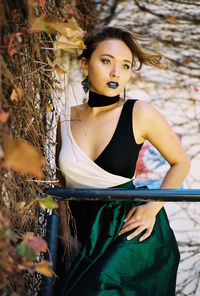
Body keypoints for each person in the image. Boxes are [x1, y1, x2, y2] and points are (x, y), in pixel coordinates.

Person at [55, 26, 190, 296]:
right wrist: (63, 233)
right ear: (85, 64)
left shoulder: (139, 113)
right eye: (106, 61)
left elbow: (181, 162)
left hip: (129, 228)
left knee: (98, 287)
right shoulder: (65, 118)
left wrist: (152, 208)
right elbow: (59, 181)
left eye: (125, 65)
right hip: (81, 232)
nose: (116, 73)